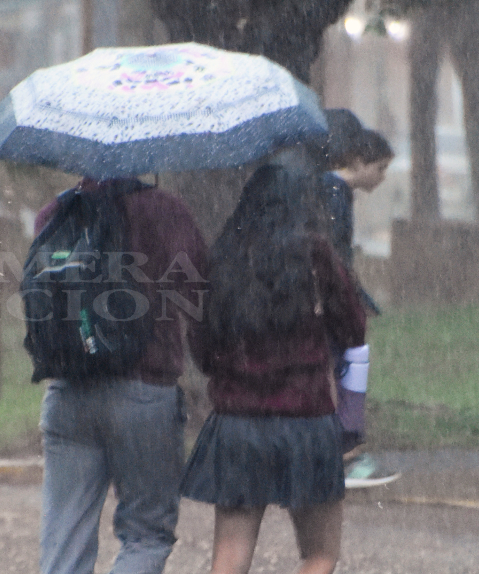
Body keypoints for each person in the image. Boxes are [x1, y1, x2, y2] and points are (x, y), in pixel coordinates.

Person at [182, 157, 366, 574]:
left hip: (238, 425)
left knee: (229, 556)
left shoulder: (225, 256)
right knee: (320, 554)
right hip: (306, 424)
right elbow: (354, 329)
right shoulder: (315, 254)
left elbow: (203, 347)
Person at [33, 176, 207, 574]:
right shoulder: (167, 211)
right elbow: (197, 296)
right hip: (144, 391)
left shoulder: (55, 213)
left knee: (64, 538)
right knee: (146, 536)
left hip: (68, 391)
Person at [318, 111, 400, 487]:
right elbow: (333, 253)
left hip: (330, 297)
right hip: (331, 300)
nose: (382, 178)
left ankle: (339, 447)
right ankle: (345, 451)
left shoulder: (326, 189)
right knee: (352, 362)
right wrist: (347, 295)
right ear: (357, 162)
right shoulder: (335, 192)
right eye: (380, 168)